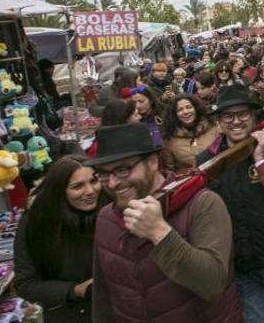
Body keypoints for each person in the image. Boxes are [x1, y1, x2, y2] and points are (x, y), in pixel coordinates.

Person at [89, 123, 242, 322]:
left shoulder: (202, 204)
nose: (112, 183)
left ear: (152, 162)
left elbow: (213, 285)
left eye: (122, 170)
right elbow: (104, 296)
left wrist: (159, 232)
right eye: (103, 173)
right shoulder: (106, 218)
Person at [196, 86, 264, 323]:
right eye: (228, 116)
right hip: (242, 268)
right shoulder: (207, 162)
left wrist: (260, 159)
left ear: (254, 116)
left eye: (243, 114)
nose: (236, 121)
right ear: (219, 121)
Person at [15, 156, 105, 322]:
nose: (90, 191)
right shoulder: (36, 223)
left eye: (94, 181)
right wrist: (76, 290)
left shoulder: (110, 212)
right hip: (69, 315)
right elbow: (25, 284)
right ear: (59, 191)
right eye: (77, 186)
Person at [161, 95, 219, 173]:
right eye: (180, 110)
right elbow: (169, 170)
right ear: (174, 115)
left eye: (189, 107)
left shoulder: (213, 127)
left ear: (196, 108)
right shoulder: (169, 140)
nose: (185, 112)